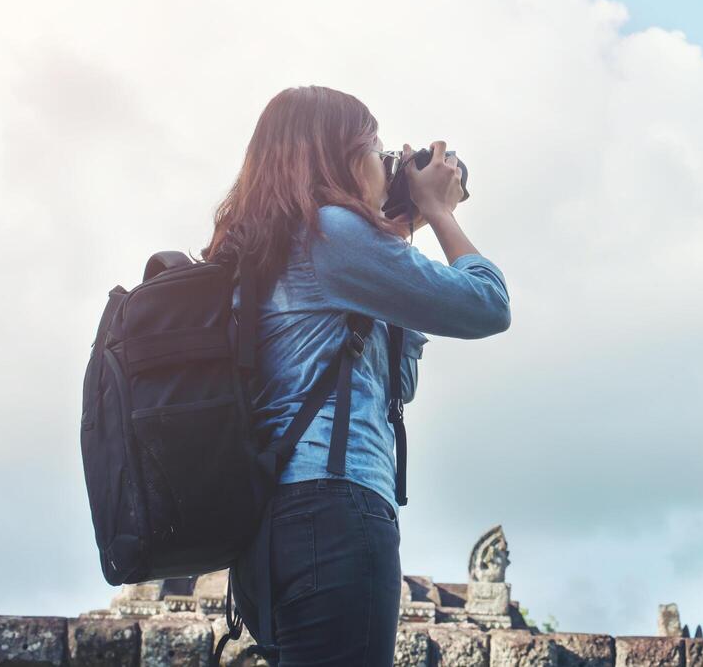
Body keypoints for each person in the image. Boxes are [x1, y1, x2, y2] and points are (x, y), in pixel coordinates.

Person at [203, 85, 511, 666]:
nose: (386, 164)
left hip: (271, 523)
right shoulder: (333, 237)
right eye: (376, 149)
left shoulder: (266, 242)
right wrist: (440, 212)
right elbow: (488, 305)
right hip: (335, 510)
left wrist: (397, 241)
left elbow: (398, 387)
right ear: (340, 157)